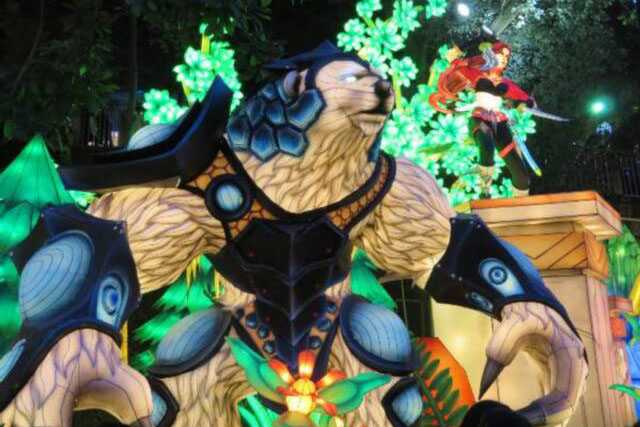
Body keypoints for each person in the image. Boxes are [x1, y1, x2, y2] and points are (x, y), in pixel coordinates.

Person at [430, 41, 535, 198]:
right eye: (500, 55)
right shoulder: (476, 74)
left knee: (521, 175)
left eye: (507, 57)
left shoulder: (506, 83)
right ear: (492, 56)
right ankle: (484, 191)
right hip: (481, 119)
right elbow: (458, 66)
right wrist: (454, 57)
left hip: (500, 124)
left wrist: (526, 103)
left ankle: (521, 200)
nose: (504, 59)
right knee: (486, 142)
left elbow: (524, 98)